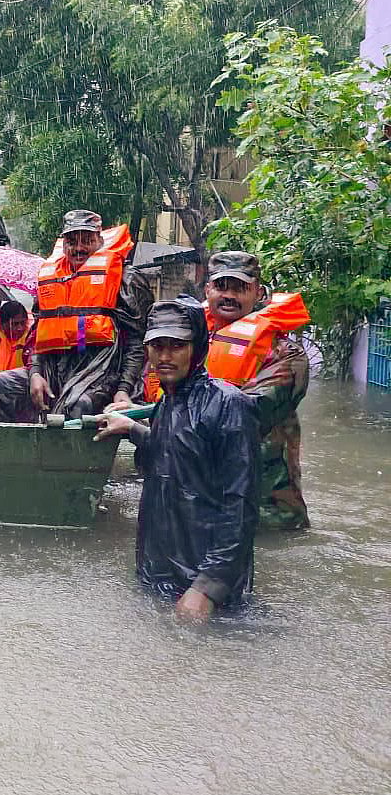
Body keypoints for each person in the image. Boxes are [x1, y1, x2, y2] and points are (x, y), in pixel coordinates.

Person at [96, 297, 260, 623]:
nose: (165, 357)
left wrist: (207, 587)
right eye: (157, 346)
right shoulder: (166, 403)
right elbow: (169, 454)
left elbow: (240, 507)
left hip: (206, 586)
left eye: (176, 346)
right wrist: (132, 428)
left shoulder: (229, 405)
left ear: (197, 348)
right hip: (157, 570)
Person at [0, 210, 152, 423]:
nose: (79, 248)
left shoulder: (126, 279)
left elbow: (137, 343)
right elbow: (39, 335)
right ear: (63, 243)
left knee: (77, 404)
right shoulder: (52, 279)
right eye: (71, 241)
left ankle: (63, 457)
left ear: (100, 241)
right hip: (53, 371)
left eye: (87, 240)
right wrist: (36, 373)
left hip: (102, 374)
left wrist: (124, 389)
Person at [204, 251, 311, 532]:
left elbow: (250, 410)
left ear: (259, 293)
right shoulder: (190, 343)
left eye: (240, 288)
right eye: (221, 286)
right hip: (207, 498)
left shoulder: (287, 355)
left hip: (267, 505)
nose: (229, 295)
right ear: (207, 290)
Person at [0, 300, 34, 374]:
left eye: (22, 323)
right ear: (2, 323)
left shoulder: (31, 340)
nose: (20, 328)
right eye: (15, 324)